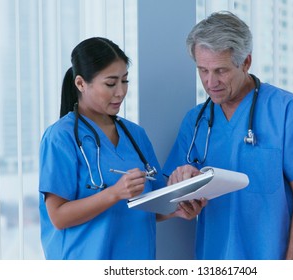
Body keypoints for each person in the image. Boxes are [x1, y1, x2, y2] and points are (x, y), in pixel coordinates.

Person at [163, 11, 293, 260]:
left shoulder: (289, 112)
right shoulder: (196, 121)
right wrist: (181, 188)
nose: (211, 82)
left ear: (246, 62)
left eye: (221, 70)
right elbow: (171, 197)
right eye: (203, 70)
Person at [39, 37, 203, 260]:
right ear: (80, 84)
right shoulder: (60, 137)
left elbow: (145, 206)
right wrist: (114, 193)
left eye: (124, 81)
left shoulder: (135, 135)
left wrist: (173, 210)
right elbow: (58, 216)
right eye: (110, 83)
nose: (120, 92)